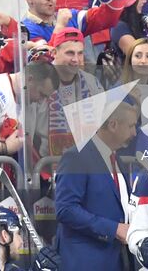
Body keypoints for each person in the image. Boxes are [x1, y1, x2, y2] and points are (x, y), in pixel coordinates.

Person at [55, 96, 139, 269]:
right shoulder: (76, 157)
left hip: (116, 260)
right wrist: (114, 229)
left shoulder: (116, 159)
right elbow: (66, 209)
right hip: (85, 261)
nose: (134, 133)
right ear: (113, 125)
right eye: (131, 126)